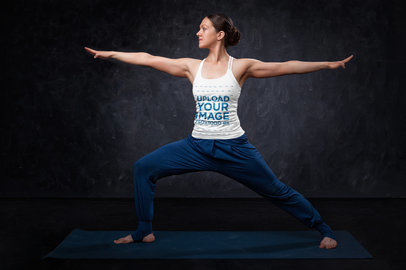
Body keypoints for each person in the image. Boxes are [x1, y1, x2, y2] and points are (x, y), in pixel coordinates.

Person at [84, 13, 353, 250]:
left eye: (203, 28)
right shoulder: (192, 67)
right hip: (195, 146)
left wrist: (328, 64)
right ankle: (144, 231)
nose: (198, 32)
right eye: (199, 28)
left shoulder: (240, 66)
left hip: (233, 148)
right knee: (144, 168)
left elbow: (285, 65)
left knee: (277, 190)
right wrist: (111, 54)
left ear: (219, 34)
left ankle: (324, 230)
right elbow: (149, 59)